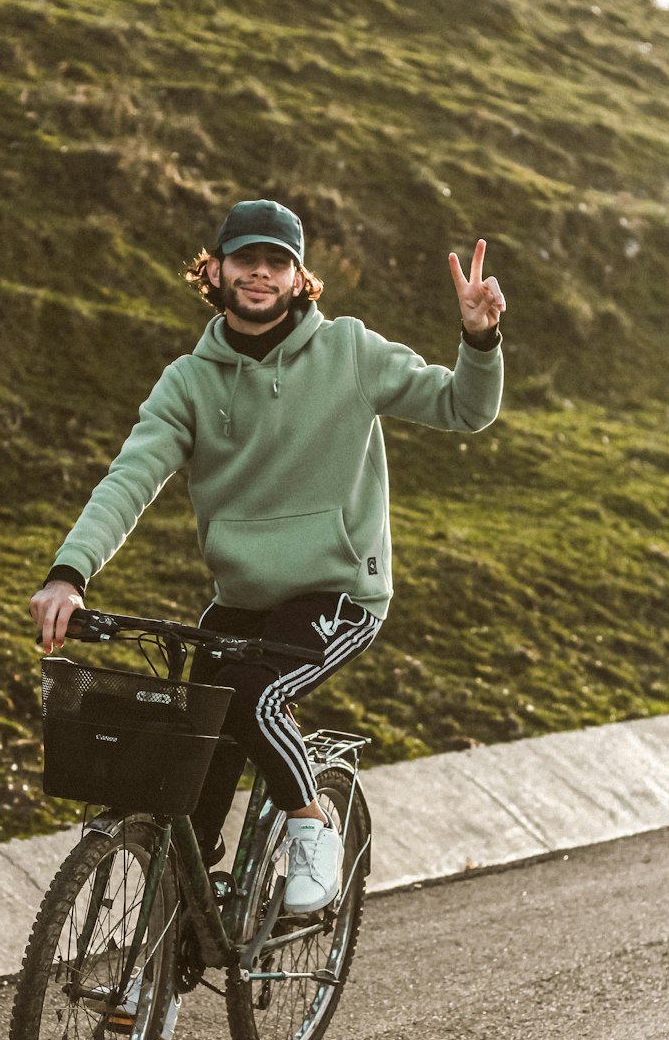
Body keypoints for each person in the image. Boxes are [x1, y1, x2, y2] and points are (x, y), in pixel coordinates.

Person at [31, 199, 505, 916]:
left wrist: (480, 339)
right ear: (215, 270)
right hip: (243, 598)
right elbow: (131, 477)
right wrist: (70, 571)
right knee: (188, 764)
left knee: (256, 695)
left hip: (339, 592)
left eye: (277, 261)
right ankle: (176, 945)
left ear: (298, 276)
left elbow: (463, 408)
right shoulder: (189, 381)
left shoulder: (349, 350)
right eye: (246, 259)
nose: (260, 273)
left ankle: (312, 823)